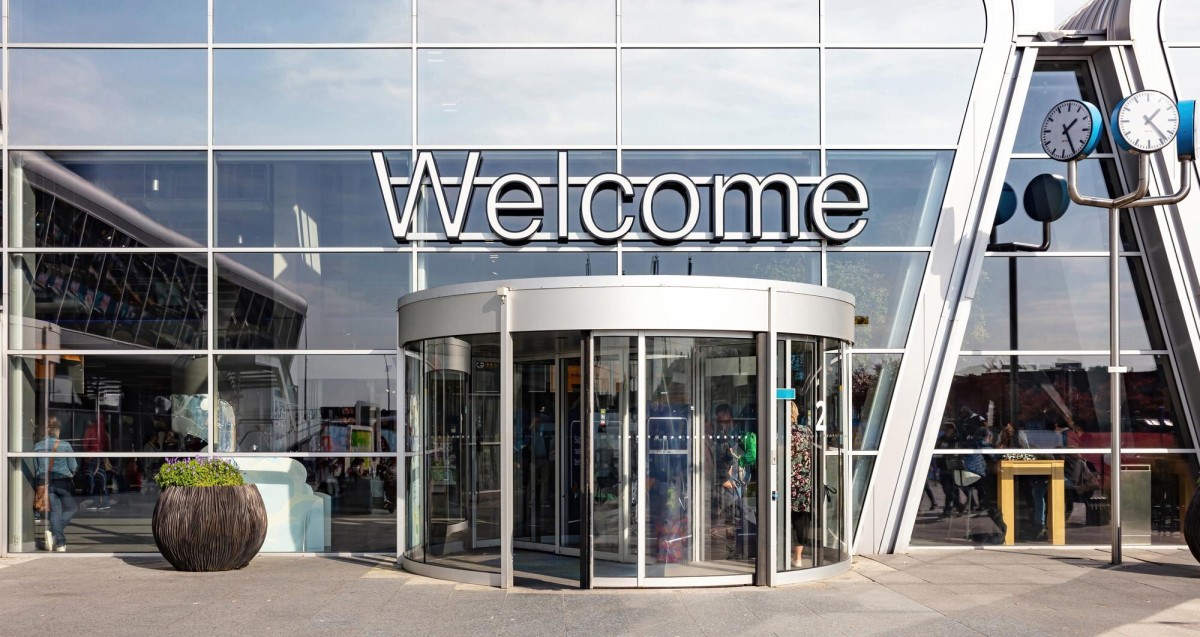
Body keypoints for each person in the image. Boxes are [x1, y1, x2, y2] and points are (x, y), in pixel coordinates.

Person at [33, 417, 78, 551]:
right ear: (57, 430)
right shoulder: (65, 445)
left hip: (47, 483)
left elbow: (37, 469)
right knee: (72, 508)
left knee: (55, 513)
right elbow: (73, 466)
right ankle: (54, 534)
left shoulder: (37, 446)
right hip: (62, 482)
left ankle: (60, 544)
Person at [788, 400, 813, 568]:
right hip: (803, 482)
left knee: (777, 518)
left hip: (783, 481)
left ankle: (776, 552)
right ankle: (798, 558)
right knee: (799, 521)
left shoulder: (778, 432)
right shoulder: (806, 431)